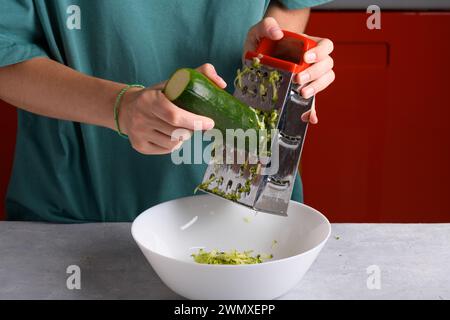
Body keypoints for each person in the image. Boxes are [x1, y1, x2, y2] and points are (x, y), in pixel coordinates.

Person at [0, 0, 335, 222]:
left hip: (247, 201)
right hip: (80, 205)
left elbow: (290, 4)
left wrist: (276, 49)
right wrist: (119, 106)